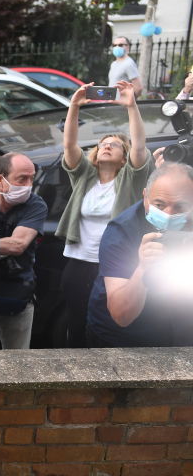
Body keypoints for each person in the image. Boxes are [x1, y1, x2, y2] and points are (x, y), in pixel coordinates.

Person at [56, 81, 151, 348]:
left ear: (124, 158)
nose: (107, 146)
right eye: (102, 144)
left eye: (115, 145)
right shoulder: (84, 177)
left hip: (111, 266)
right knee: (75, 324)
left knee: (105, 325)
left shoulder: (130, 180)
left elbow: (139, 147)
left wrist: (131, 106)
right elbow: (69, 145)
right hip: (78, 264)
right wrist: (74, 106)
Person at [86, 162, 193, 347]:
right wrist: (143, 268)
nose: (168, 214)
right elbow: (121, 315)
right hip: (123, 337)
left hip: (179, 329)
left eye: (180, 206)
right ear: (145, 197)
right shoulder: (121, 232)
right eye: (159, 204)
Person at [0, 153, 48, 350]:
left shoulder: (35, 204)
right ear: (0, 179)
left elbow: (17, 245)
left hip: (18, 293)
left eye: (31, 178)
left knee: (18, 360)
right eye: (22, 179)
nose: (28, 185)